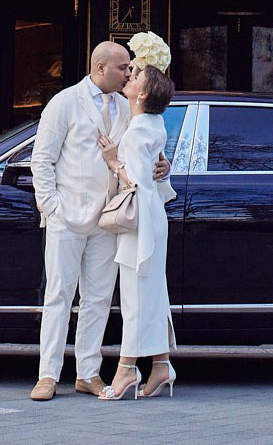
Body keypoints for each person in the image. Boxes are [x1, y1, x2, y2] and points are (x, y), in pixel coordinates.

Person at [28, 41, 171, 401]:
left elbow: (148, 156)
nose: (129, 73)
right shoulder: (64, 102)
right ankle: (48, 374)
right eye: (123, 68)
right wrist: (52, 208)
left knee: (99, 298)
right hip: (68, 216)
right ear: (100, 68)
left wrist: (163, 167)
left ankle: (87, 372)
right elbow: (41, 160)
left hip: (111, 219)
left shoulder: (129, 107)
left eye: (130, 69)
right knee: (58, 294)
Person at [96, 50, 177, 400]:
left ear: (143, 94)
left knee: (135, 298)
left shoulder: (137, 132)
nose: (131, 76)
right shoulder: (150, 125)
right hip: (152, 219)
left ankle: (126, 370)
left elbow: (138, 183)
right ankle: (160, 365)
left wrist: (114, 162)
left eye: (138, 76)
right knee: (152, 293)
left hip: (140, 221)